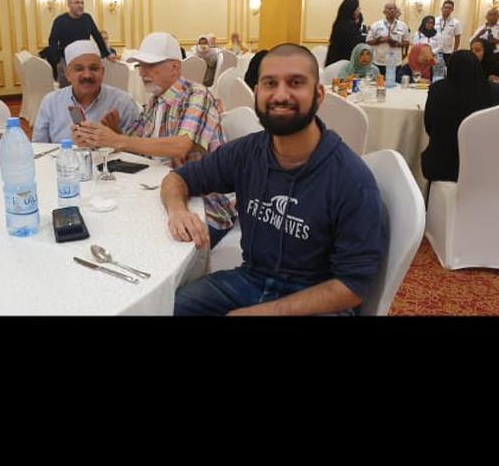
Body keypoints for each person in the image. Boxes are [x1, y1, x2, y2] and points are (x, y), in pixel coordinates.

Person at [160, 43, 384, 316]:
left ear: (319, 94)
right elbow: (177, 179)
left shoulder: (352, 179)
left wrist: (264, 312)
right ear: (256, 93)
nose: (280, 95)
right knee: (165, 307)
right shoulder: (247, 152)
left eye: (296, 82)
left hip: (318, 297)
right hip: (251, 279)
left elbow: (352, 287)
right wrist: (177, 210)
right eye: (270, 83)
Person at [73, 32, 236, 247]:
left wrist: (118, 140)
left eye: (151, 65)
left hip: (204, 203)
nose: (142, 73)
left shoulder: (197, 95)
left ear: (175, 67)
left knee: (144, 243)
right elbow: (135, 143)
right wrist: (106, 136)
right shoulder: (155, 101)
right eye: (140, 66)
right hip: (162, 192)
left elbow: (180, 145)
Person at [421, 50, 499, 184]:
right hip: (486, 166)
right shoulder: (498, 91)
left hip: (442, 166)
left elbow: (429, 126)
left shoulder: (438, 90)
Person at [32, 40, 140, 144]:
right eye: (79, 69)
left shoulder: (123, 103)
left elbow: (140, 153)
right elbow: (38, 147)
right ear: (67, 74)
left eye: (94, 68)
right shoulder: (51, 102)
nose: (87, 75)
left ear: (102, 72)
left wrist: (116, 137)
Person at [47, 0, 114, 88]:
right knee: (67, 89)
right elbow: (52, 41)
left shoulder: (87, 18)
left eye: (82, 3)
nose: (80, 5)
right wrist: (58, 61)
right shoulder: (60, 21)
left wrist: (107, 54)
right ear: (69, 5)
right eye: (77, 3)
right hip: (66, 60)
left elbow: (97, 36)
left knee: (86, 86)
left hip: (85, 58)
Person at [366, 3, 411, 75]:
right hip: (379, 62)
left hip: (395, 62)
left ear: (397, 11)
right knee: (379, 84)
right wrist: (380, 40)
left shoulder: (403, 25)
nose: (392, 10)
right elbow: (368, 41)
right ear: (384, 12)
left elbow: (407, 42)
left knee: (394, 85)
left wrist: (397, 43)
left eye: (394, 9)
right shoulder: (376, 25)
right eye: (389, 9)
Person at [325, 0, 363, 67]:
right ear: (352, 10)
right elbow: (356, 43)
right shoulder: (350, 25)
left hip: (333, 60)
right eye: (358, 8)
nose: (359, 10)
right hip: (344, 63)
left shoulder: (338, 22)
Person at [434, 0, 462, 66]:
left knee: (445, 71)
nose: (447, 9)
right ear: (442, 8)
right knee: (434, 71)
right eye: (445, 7)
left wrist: (454, 52)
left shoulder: (456, 23)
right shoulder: (435, 20)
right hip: (435, 51)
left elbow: (457, 38)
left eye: (449, 8)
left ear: (452, 10)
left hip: (447, 52)